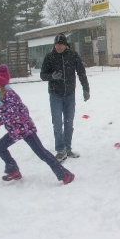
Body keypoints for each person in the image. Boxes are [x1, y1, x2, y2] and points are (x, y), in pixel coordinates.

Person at [0, 65, 75, 185]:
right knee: (0, 147)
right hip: (15, 131)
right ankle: (13, 170)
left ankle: (65, 175)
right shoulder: (2, 95)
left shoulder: (9, 94)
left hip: (25, 130)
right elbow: (9, 114)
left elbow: (11, 109)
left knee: (42, 153)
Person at [40, 33, 90, 162]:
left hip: (69, 95)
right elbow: (42, 75)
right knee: (57, 123)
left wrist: (86, 89)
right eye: (56, 44)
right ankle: (60, 150)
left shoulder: (73, 56)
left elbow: (81, 73)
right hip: (55, 95)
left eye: (60, 44)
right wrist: (52, 76)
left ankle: (67, 148)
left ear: (65, 44)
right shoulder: (50, 57)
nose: (58, 47)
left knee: (69, 123)